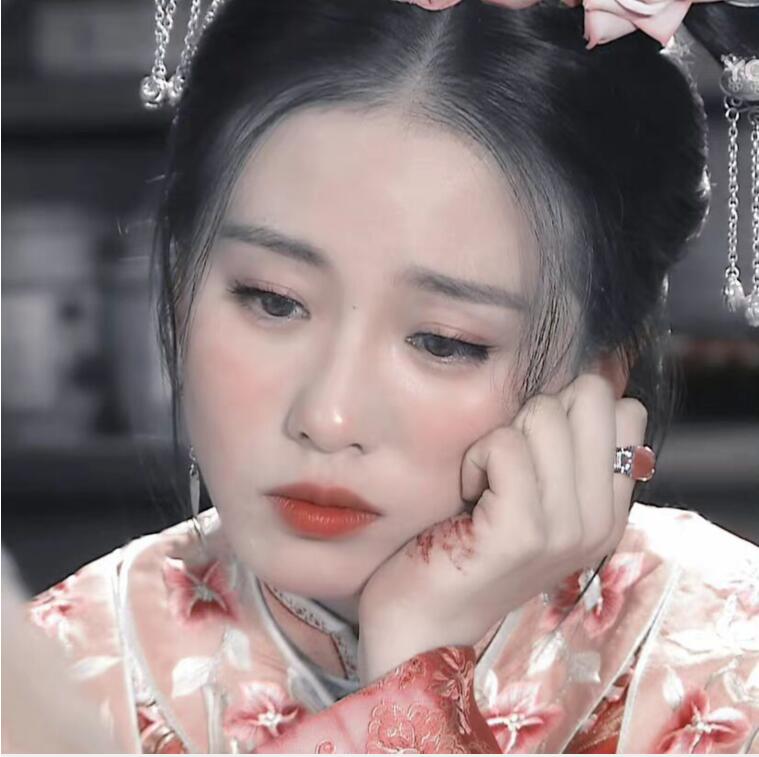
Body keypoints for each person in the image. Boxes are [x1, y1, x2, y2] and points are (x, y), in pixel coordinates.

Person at [3, 0, 758, 752]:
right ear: (180, 281)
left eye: (442, 341)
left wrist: (418, 661)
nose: (328, 417)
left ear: (599, 374)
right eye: (272, 300)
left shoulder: (729, 666)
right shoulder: (53, 678)